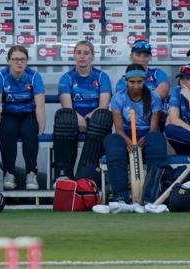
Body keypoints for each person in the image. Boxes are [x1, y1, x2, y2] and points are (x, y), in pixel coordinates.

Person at [102, 64, 166, 212]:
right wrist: (127, 140)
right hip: (125, 135)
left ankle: (150, 198)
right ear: (126, 81)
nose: (136, 85)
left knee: (157, 139)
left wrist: (146, 138)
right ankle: (121, 197)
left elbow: (154, 127)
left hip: (146, 136)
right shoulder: (118, 98)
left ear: (144, 81)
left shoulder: (154, 97)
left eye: (139, 82)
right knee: (111, 141)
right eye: (132, 82)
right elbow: (118, 128)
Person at [53, 40, 112, 181]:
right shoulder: (67, 78)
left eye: (86, 53)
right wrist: (79, 118)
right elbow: (67, 106)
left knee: (103, 116)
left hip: (96, 122)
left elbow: (103, 106)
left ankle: (84, 177)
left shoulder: (102, 76)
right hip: (73, 121)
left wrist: (88, 118)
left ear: (92, 56)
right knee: (64, 116)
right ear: (74, 55)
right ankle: (64, 175)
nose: (82, 56)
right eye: (78, 53)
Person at [0, 45, 46, 190]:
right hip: (9, 114)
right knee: (7, 133)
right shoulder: (1, 77)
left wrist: (41, 128)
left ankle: (31, 173)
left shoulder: (34, 76)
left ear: (27, 61)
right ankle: (9, 173)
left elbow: (40, 105)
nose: (19, 62)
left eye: (22, 59)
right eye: (15, 59)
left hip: (28, 114)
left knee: (30, 134)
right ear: (8, 61)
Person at [115, 40, 170, 128]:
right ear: (131, 56)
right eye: (138, 55)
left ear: (150, 58)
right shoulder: (123, 81)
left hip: (156, 119)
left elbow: (163, 91)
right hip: (132, 122)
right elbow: (125, 102)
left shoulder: (157, 73)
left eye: (146, 56)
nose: (142, 59)